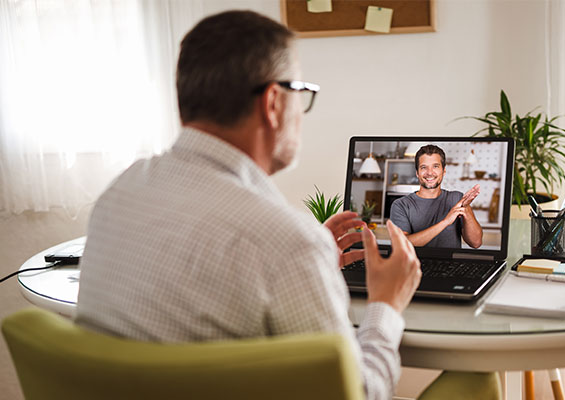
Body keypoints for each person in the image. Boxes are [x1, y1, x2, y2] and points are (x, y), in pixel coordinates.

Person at [74, 11, 421, 400]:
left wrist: (307, 267)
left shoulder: (119, 192)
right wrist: (386, 306)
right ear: (273, 103)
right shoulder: (287, 243)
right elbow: (359, 395)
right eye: (301, 92)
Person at [390, 144, 483, 248]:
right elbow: (402, 245)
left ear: (443, 171)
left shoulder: (456, 199)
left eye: (435, 166)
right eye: (424, 167)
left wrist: (466, 210)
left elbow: (476, 243)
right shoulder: (401, 205)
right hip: (415, 264)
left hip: (450, 264)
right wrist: (445, 222)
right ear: (417, 173)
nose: (430, 173)